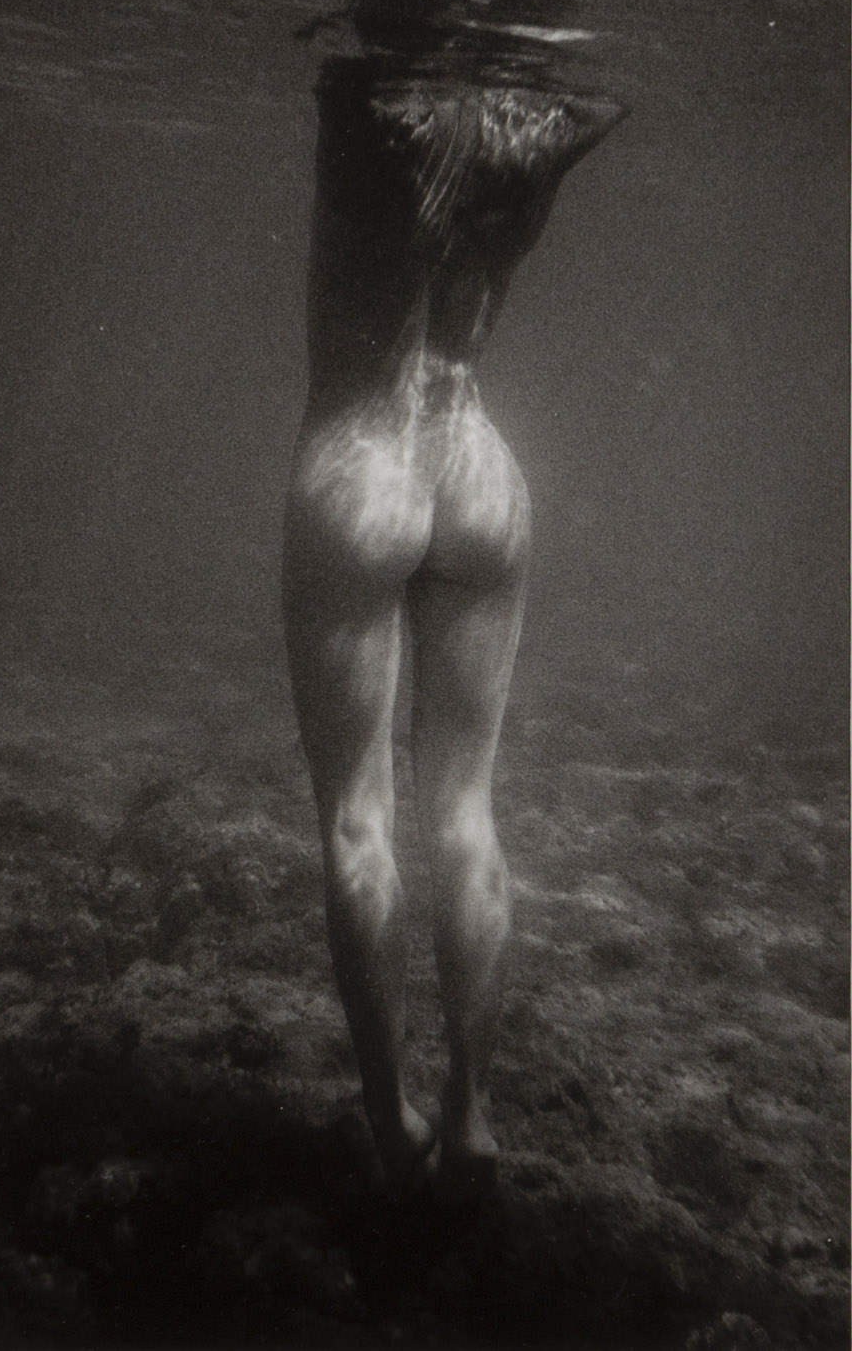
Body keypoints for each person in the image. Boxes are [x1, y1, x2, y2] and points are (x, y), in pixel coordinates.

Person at [283, 58, 621, 1196]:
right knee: (466, 812)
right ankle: (473, 1110)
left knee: (357, 821)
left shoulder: (366, 105)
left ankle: (394, 1114)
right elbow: (597, 103)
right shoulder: (530, 129)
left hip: (359, 463)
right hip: (479, 466)